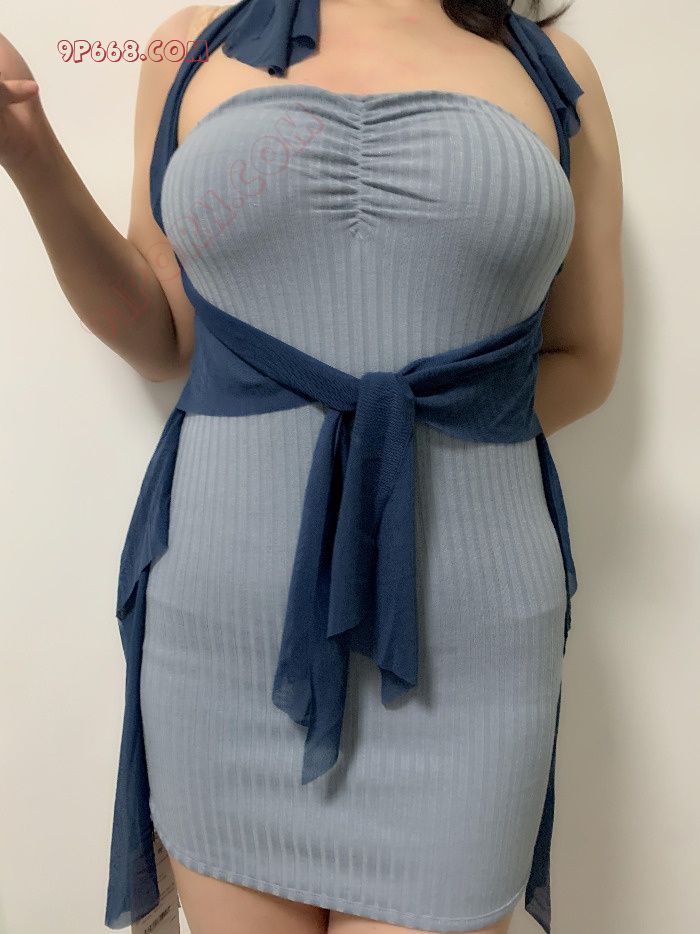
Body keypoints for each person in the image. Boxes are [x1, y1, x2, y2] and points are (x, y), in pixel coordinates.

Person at [0, 1, 623, 932]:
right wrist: (25, 145)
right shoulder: (188, 45)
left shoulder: (552, 68)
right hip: (223, 634)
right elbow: (160, 336)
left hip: (468, 639)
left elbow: (586, 359)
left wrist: (398, 440)